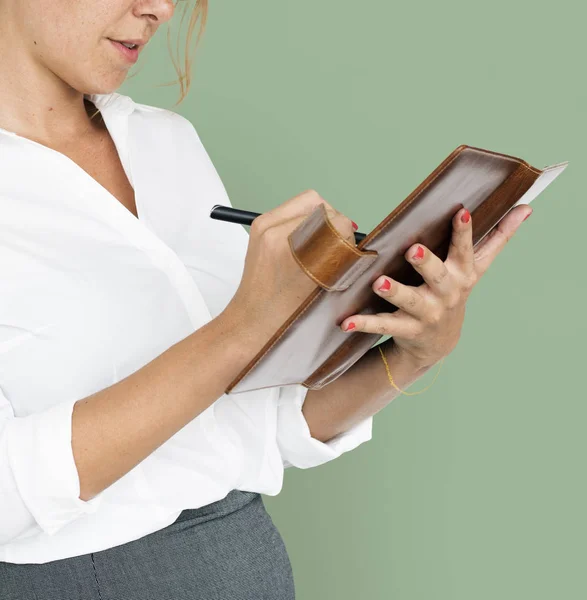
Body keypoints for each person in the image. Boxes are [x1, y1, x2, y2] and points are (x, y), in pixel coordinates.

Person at [0, 1, 533, 598]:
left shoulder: (162, 141)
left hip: (241, 555)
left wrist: (417, 352)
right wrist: (242, 329)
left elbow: (261, 423)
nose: (159, 8)